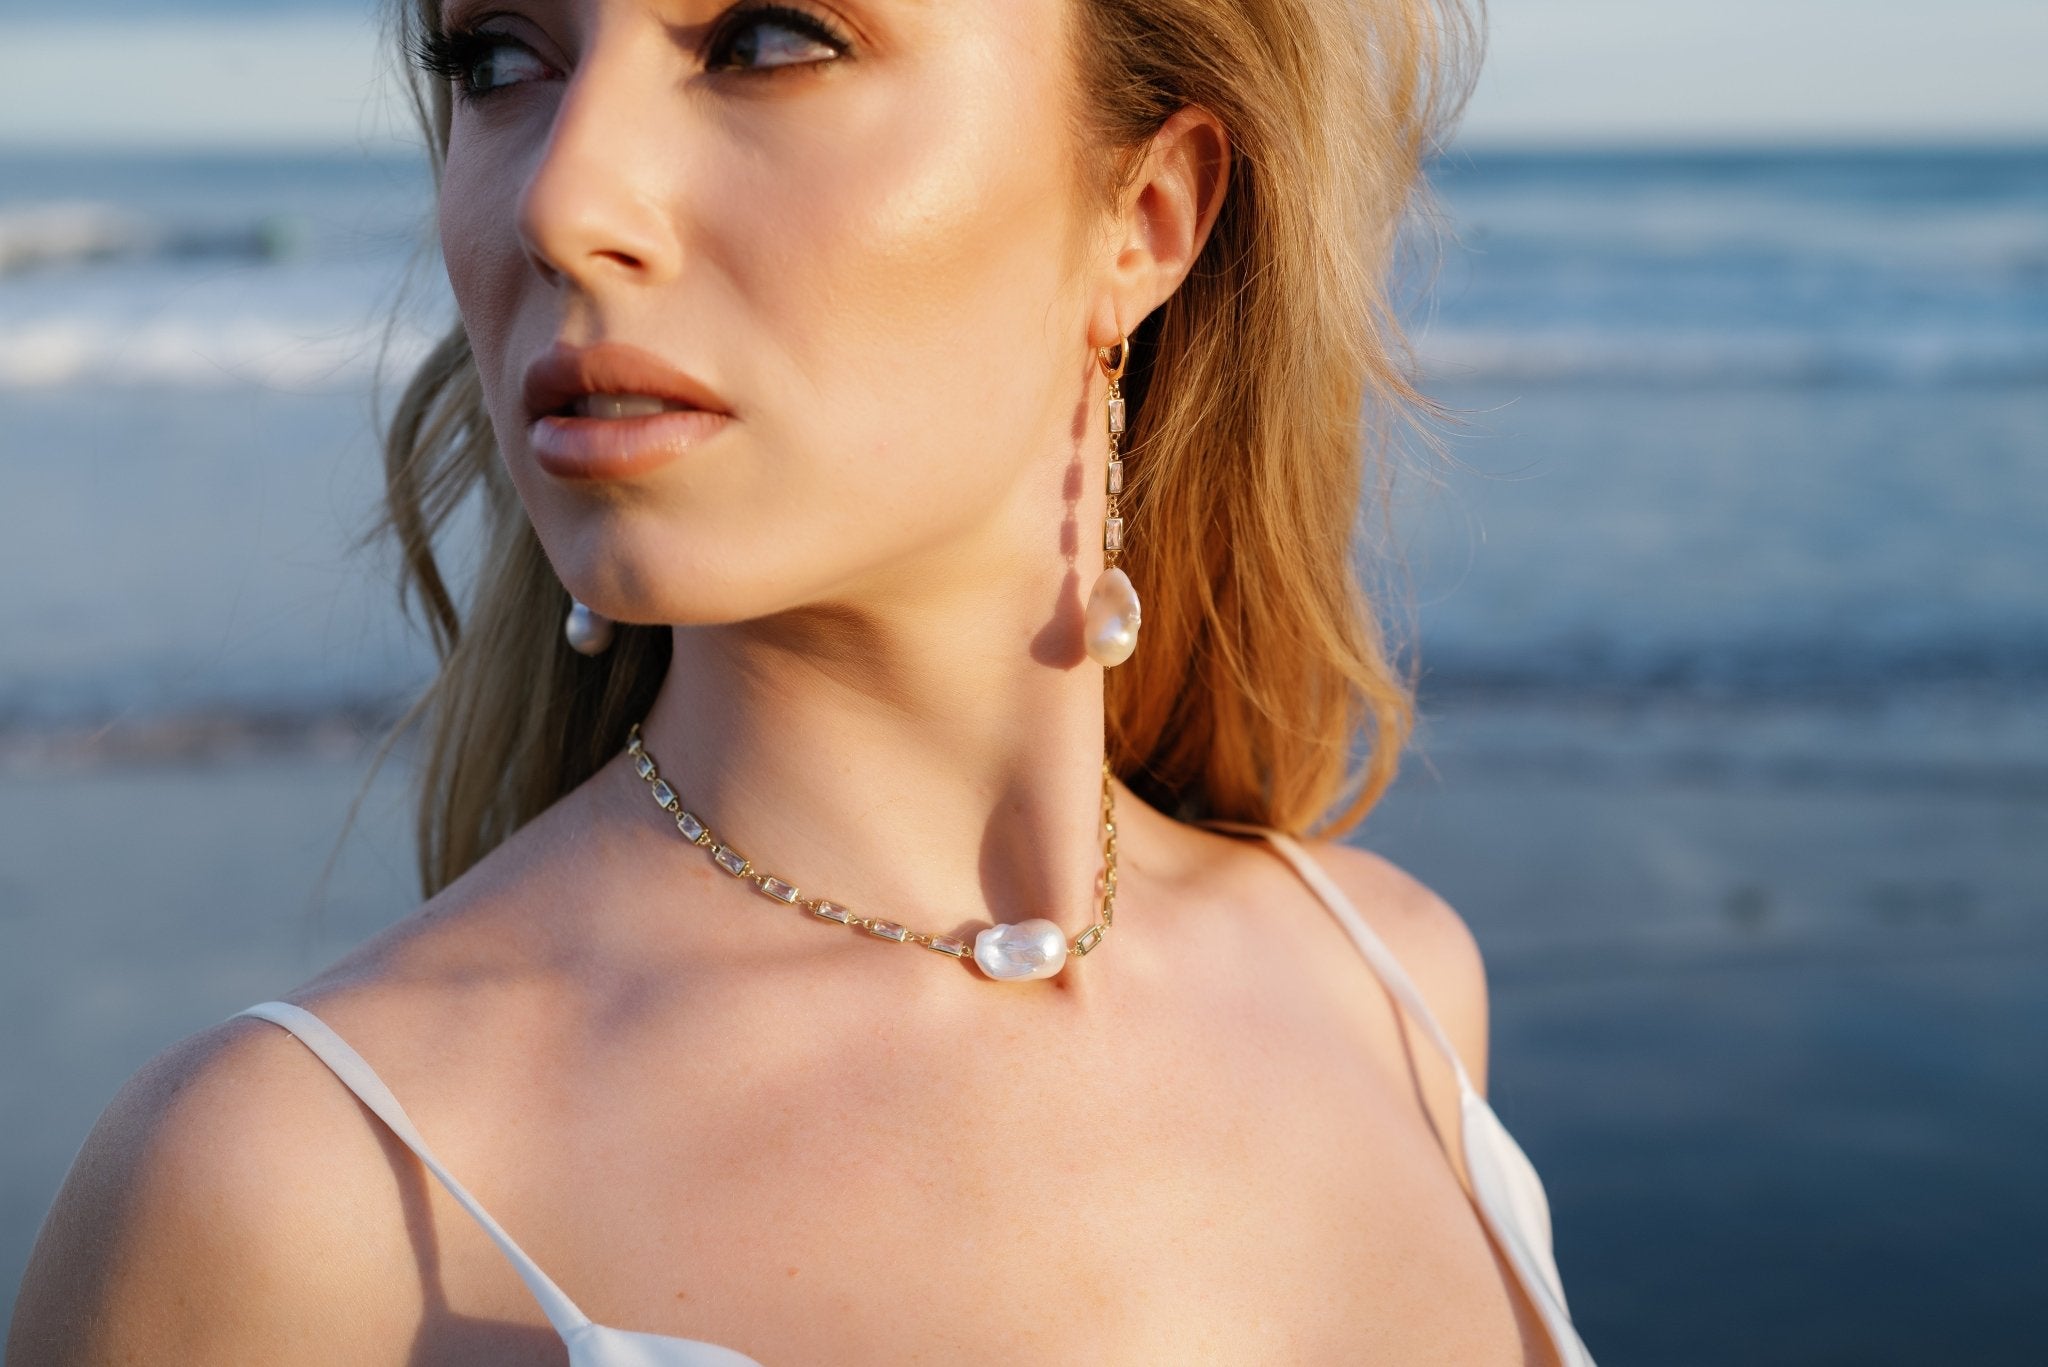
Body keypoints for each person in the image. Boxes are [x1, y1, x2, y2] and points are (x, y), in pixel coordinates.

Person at [9, 0, 1598, 1362]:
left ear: (1147, 215)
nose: (562, 198)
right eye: (496, 59)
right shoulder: (301, 1201)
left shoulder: (1388, 987)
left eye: (769, 39)